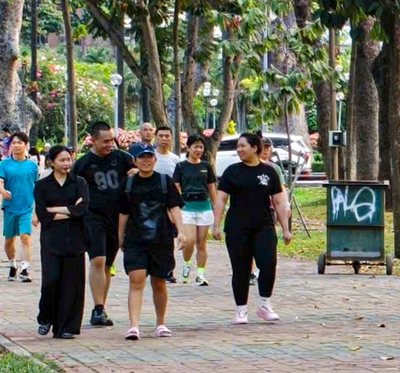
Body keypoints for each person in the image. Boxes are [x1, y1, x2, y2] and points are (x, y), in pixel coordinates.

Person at [216, 130, 289, 323]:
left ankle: (265, 304)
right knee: (240, 268)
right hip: (237, 227)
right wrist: (215, 225)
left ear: (255, 148)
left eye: (243, 146)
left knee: (268, 264)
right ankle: (241, 310)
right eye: (238, 146)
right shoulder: (232, 171)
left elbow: (280, 202)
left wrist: (286, 229)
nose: (239, 149)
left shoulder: (269, 172)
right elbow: (221, 200)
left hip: (263, 225)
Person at [117, 142, 182, 339]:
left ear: (154, 159)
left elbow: (174, 208)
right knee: (136, 280)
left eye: (149, 156)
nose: (146, 160)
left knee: (159, 282)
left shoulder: (165, 182)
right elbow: (123, 213)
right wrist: (120, 236)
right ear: (135, 161)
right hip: (135, 239)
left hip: (161, 239)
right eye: (141, 157)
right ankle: (134, 325)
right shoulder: (127, 184)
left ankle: (160, 323)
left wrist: (181, 231)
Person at [76, 121, 133, 328]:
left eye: (112, 140)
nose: (110, 144)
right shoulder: (83, 163)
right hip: (93, 216)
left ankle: (101, 307)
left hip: (117, 217)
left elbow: (140, 173)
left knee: (108, 264)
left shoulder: (122, 158)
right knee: (97, 260)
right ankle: (97, 307)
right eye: (105, 141)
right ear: (93, 140)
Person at [35, 145, 89, 337]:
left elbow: (82, 209)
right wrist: (68, 210)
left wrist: (54, 210)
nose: (67, 163)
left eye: (69, 159)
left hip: (75, 239)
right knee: (51, 280)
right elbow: (42, 214)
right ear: (51, 162)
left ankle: (66, 327)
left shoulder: (79, 182)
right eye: (62, 160)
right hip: (51, 239)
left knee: (72, 284)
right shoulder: (42, 186)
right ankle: (46, 317)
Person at [174, 130, 217, 284]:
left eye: (201, 147)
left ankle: (200, 274)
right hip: (187, 207)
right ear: (188, 148)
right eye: (195, 147)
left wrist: (216, 206)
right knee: (189, 240)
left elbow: (212, 187)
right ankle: (186, 265)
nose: (198, 150)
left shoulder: (206, 166)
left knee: (201, 242)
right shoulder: (181, 166)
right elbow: (176, 187)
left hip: (204, 207)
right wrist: (176, 207)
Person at [0, 131, 39, 281]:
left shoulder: (32, 166)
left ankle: (25, 269)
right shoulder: (4, 164)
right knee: (9, 240)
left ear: (26, 145)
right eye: (13, 143)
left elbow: (38, 188)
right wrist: (2, 191)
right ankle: (12, 264)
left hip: (26, 208)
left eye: (20, 142)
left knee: (25, 237)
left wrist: (36, 211)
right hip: (9, 207)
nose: (16, 145)